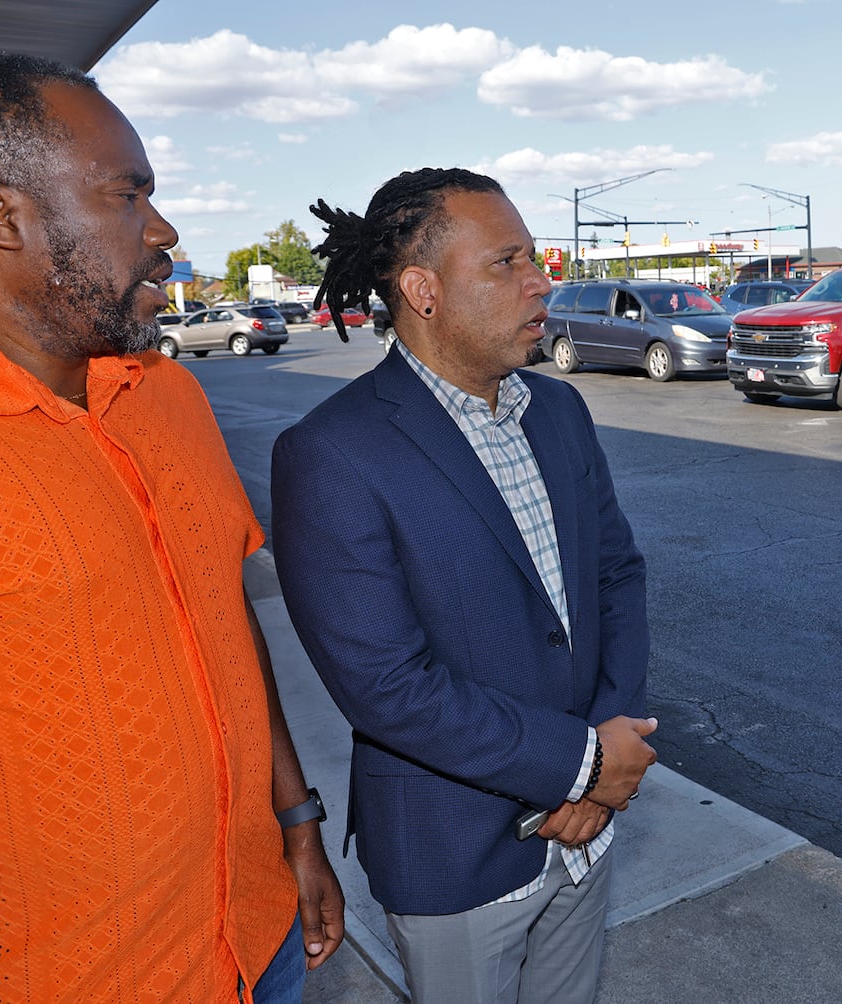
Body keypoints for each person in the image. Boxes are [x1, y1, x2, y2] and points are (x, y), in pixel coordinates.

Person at [0, 52, 343, 1002]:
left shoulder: (171, 396)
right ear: (0, 218)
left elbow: (228, 629)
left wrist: (298, 822)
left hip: (260, 939)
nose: (164, 232)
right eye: (128, 197)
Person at [271, 168, 656, 1003]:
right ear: (423, 290)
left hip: (587, 830)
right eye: (506, 262)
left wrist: (608, 753)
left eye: (536, 259)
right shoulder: (332, 454)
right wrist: (584, 764)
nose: (539, 281)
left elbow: (617, 577)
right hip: (456, 854)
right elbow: (385, 685)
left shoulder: (559, 412)